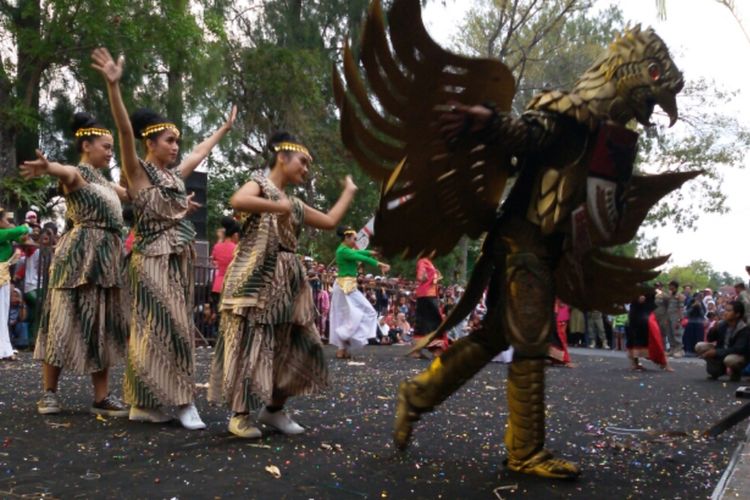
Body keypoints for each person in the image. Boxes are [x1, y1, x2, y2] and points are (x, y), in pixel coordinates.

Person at [93, 47, 235, 428]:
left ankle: (148, 404)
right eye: (170, 140)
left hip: (176, 260)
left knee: (169, 327)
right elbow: (124, 130)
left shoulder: (174, 177)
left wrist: (222, 129)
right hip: (150, 258)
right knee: (161, 327)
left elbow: (201, 153)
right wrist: (113, 87)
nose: (176, 146)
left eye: (178, 141)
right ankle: (179, 401)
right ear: (150, 143)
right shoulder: (137, 172)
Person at [209, 132, 358, 439]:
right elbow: (238, 200)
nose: (306, 169)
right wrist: (280, 206)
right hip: (254, 278)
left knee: (297, 344)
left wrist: (349, 191)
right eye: (303, 161)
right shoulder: (260, 185)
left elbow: (330, 222)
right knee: (253, 345)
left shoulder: (295, 204)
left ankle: (275, 408)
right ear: (282, 156)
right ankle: (240, 414)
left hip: (288, 281)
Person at [20, 113, 131, 416]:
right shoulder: (77, 174)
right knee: (62, 317)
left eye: (112, 147)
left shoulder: (106, 183)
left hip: (107, 258)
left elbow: (133, 193)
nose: (111, 153)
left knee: (103, 322)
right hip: (78, 255)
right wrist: (48, 167)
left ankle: (101, 396)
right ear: (86, 145)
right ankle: (49, 393)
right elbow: (64, 171)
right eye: (106, 147)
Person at [329, 226, 390, 359]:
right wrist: (379, 264)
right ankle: (344, 342)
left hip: (348, 287)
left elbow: (360, 253)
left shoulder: (346, 250)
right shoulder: (343, 251)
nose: (355, 241)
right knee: (365, 312)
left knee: (348, 316)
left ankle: (343, 347)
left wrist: (372, 253)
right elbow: (359, 256)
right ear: (346, 237)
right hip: (344, 287)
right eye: (354, 239)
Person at [0, 209, 33, 361]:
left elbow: (20, 238)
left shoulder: (5, 236)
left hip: (3, 276)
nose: (7, 222)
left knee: (3, 313)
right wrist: (26, 226)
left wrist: (24, 234)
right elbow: (19, 231)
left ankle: (4, 348)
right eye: (5, 219)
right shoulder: (2, 234)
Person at [696, 300, 749, 381]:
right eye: (725, 310)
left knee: (730, 360)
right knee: (700, 346)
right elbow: (710, 339)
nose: (725, 313)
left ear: (737, 314)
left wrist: (716, 352)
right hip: (723, 351)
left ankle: (736, 372)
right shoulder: (722, 324)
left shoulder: (744, 329)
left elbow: (738, 349)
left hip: (737, 355)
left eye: (729, 311)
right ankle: (717, 369)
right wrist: (713, 330)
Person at [626, 293, 672, 371]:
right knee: (636, 339)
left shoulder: (648, 290)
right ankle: (635, 363)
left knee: (653, 338)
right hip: (638, 317)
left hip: (645, 316)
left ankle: (664, 363)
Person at [412, 253, 444, 356]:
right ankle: (434, 348)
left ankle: (420, 348)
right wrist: (423, 276)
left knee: (425, 320)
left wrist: (435, 278)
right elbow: (420, 276)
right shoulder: (423, 261)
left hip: (428, 294)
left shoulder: (429, 262)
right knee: (433, 319)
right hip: (426, 295)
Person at [210, 216, 240, 304]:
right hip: (232, 286)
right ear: (235, 234)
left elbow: (213, 259)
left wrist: (220, 238)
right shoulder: (237, 249)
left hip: (217, 286)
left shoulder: (217, 247)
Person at [655, 280, 685, 357]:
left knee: (676, 333)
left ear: (674, 286)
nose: (669, 287)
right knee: (669, 333)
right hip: (668, 316)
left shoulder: (679, 296)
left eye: (670, 285)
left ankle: (679, 350)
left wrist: (680, 318)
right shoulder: (669, 295)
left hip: (676, 316)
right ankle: (672, 349)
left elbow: (681, 308)